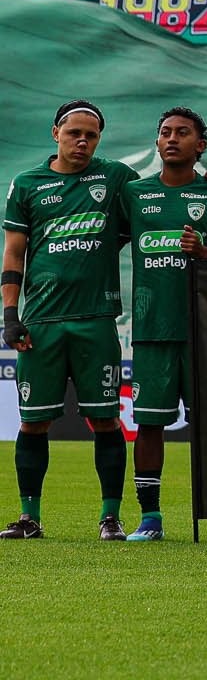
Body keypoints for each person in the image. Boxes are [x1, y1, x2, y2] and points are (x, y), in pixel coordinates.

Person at [0, 101, 146, 541]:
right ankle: (29, 518)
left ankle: (110, 518)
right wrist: (10, 314)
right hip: (41, 323)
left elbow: (163, 194)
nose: (83, 141)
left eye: (92, 135)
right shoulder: (27, 184)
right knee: (33, 422)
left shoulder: (115, 176)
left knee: (105, 421)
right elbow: (13, 252)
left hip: (97, 321)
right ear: (55, 133)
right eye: (74, 133)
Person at [115, 108, 207, 544]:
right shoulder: (133, 194)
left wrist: (205, 254)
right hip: (153, 330)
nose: (172, 139)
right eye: (164, 133)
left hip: (204, 332)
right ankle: (150, 520)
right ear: (157, 143)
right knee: (149, 425)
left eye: (182, 133)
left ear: (201, 145)